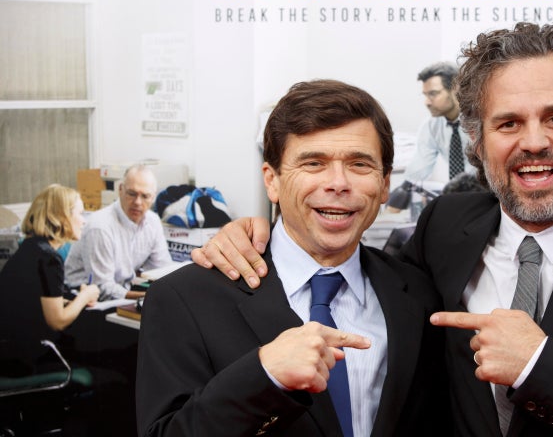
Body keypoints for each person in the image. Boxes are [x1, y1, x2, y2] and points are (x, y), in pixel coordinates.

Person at [192, 22, 553, 436]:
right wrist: (261, 230)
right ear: (477, 139)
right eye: (507, 123)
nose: (533, 141)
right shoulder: (447, 227)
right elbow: (373, 287)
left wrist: (540, 366)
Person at [136, 79, 450, 437]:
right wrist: (262, 375)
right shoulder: (183, 299)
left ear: (384, 185)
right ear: (272, 181)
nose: (338, 183)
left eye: (360, 164)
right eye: (313, 163)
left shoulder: (417, 295)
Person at [0, 184, 100, 360]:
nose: (84, 221)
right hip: (26, 355)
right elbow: (57, 322)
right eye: (80, 214)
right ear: (62, 217)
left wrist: (71, 300)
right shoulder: (49, 258)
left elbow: (32, 299)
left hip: (9, 348)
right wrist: (85, 295)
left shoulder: (31, 247)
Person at [64, 164, 172, 300]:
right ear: (120, 190)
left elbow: (162, 270)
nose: (138, 202)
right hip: (83, 299)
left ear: (153, 197)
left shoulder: (153, 221)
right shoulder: (100, 227)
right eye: (132, 194)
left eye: (145, 196)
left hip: (120, 292)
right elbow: (102, 288)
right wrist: (147, 298)